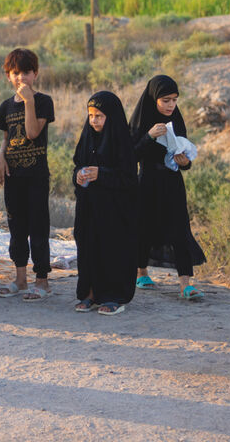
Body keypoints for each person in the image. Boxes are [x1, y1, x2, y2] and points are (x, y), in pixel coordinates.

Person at [129, 74, 207, 300]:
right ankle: (141, 271)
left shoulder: (177, 120)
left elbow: (182, 154)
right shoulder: (141, 121)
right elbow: (130, 155)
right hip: (146, 182)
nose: (171, 105)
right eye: (165, 100)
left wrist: (186, 163)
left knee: (180, 228)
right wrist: (149, 136)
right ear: (154, 98)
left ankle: (185, 284)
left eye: (174, 100)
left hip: (172, 183)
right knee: (144, 228)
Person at [0, 48, 54, 300]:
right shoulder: (5, 107)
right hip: (14, 176)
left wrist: (28, 101)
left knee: (38, 227)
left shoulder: (43, 102)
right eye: (16, 73)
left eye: (27, 72)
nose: (22, 78)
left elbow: (31, 133)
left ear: (35, 74)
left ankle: (42, 281)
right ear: (9, 76)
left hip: (36, 175)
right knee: (16, 227)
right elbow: (6, 138)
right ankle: (20, 279)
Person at [72, 91, 138, 316]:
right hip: (89, 207)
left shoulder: (123, 141)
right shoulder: (87, 137)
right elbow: (77, 164)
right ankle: (89, 293)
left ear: (111, 116)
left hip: (115, 210)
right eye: (91, 115)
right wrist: (79, 175)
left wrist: (102, 174)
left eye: (99, 116)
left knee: (112, 250)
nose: (94, 120)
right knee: (88, 247)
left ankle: (113, 297)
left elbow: (129, 178)